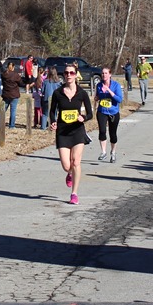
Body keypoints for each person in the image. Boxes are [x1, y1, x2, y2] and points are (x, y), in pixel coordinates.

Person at [49, 63, 93, 205]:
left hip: (77, 131)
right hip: (62, 132)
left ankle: (74, 194)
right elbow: (52, 111)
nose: (69, 75)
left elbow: (90, 114)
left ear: (76, 75)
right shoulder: (58, 93)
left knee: (76, 162)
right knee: (67, 166)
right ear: (64, 75)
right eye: (66, 73)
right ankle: (69, 173)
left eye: (72, 73)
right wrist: (53, 122)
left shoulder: (82, 93)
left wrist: (83, 118)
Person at [94, 67, 123, 163]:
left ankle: (113, 152)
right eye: (102, 73)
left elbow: (119, 99)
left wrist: (109, 91)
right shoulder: (99, 85)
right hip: (102, 111)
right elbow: (98, 97)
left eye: (106, 73)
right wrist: (97, 98)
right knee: (102, 131)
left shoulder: (116, 85)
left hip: (113, 112)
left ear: (110, 74)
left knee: (112, 133)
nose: (104, 75)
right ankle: (103, 152)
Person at [0, 60, 23, 129]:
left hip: (6, 94)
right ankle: (12, 125)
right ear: (13, 67)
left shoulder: (4, 74)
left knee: (2, 110)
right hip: (14, 95)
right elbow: (21, 83)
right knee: (13, 111)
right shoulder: (16, 75)